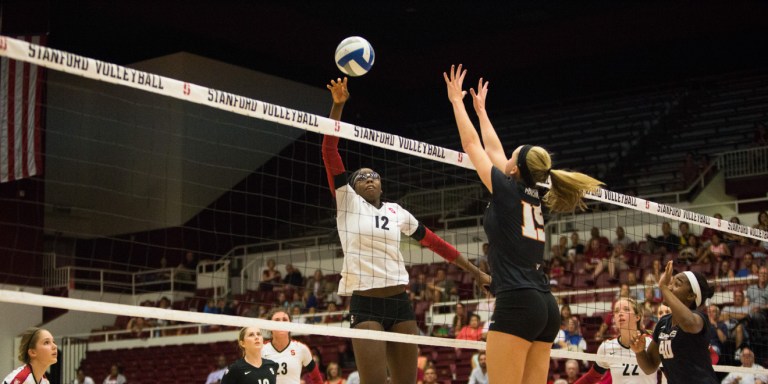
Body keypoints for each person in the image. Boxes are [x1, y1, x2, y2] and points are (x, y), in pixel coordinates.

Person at [323, 76, 490, 384]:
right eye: (362, 177)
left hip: (400, 303)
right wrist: (338, 106)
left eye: (375, 176)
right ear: (353, 186)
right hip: (366, 304)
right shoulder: (347, 203)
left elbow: (436, 244)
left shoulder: (396, 211)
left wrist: (475, 272)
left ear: (382, 184)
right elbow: (329, 149)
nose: (369, 178)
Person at [444, 64, 602, 384]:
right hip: (544, 306)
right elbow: (494, 149)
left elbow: (474, 146)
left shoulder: (506, 191)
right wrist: (481, 110)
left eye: (512, 157)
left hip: (517, 303)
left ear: (513, 169)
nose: (506, 157)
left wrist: (456, 103)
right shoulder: (532, 195)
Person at [630, 260, 718, 384]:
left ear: (691, 296)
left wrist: (663, 287)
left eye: (676, 284)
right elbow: (650, 367)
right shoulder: (663, 323)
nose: (670, 287)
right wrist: (639, 352)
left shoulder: (699, 318)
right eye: (670, 283)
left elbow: (689, 323)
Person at [575, 297, 657, 384]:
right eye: (617, 311)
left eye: (626, 309)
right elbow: (591, 378)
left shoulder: (652, 343)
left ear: (637, 317)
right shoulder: (607, 347)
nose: (620, 313)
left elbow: (669, 373)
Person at [261, 308, 323, 384]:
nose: (281, 323)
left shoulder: (301, 349)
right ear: (270, 326)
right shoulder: (260, 349)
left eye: (285, 320)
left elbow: (317, 379)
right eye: (277, 320)